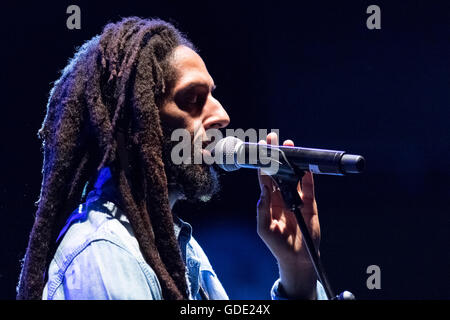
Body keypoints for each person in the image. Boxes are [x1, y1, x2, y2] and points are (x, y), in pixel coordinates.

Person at [16, 17, 326, 300]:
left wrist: (298, 272)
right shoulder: (106, 254)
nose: (222, 115)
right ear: (135, 123)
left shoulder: (176, 249)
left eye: (213, 96)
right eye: (192, 98)